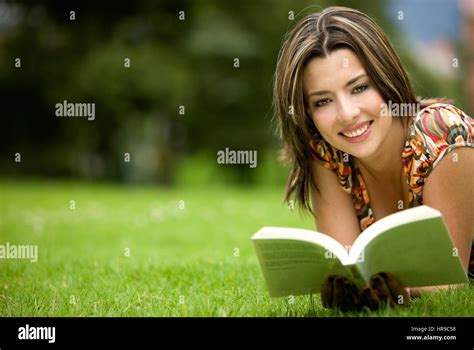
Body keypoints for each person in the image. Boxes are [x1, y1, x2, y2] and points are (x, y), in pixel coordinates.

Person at [273, 6, 473, 311]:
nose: (347, 114)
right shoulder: (328, 152)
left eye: (360, 88)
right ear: (307, 113)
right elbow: (347, 266)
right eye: (323, 101)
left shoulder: (443, 135)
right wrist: (352, 290)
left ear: (385, 78)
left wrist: (385, 289)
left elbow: (449, 281)